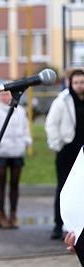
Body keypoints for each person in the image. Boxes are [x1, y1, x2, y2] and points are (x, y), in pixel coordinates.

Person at [0, 91, 32, 229]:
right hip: (1, 153)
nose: (5, 97)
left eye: (8, 94)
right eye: (3, 94)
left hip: (17, 151)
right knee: (1, 183)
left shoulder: (20, 110)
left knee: (15, 184)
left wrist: (26, 142)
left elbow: (25, 128)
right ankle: (2, 214)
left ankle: (13, 214)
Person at [45, 69, 84, 240]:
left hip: (83, 152)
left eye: (82, 82)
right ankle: (58, 224)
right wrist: (57, 145)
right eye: (76, 82)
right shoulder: (62, 101)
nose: (79, 86)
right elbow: (51, 124)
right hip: (67, 151)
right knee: (63, 188)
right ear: (70, 83)